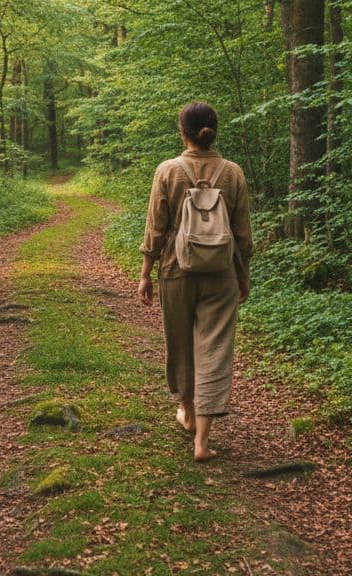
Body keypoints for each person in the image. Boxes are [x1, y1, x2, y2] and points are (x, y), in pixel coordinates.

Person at [137, 101, 252, 461]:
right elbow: (244, 235)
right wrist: (243, 275)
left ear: (182, 132)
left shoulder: (168, 171)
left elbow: (155, 228)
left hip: (175, 270)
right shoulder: (233, 173)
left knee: (182, 343)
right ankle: (202, 440)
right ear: (213, 131)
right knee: (214, 349)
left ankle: (186, 412)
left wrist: (145, 273)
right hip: (222, 274)